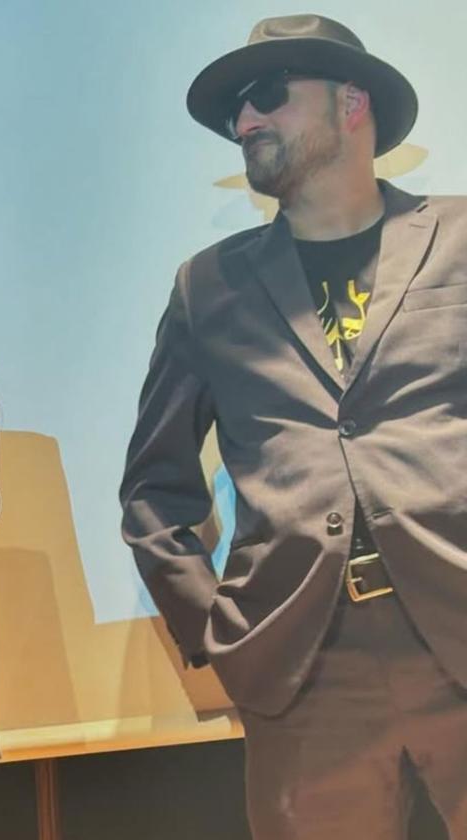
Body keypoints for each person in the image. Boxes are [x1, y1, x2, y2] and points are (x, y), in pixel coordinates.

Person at [120, 14, 467, 839]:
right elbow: (153, 487)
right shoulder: (207, 287)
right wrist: (217, 629)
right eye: (236, 111)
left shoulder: (461, 238)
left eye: (267, 97)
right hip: (306, 671)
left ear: (353, 102)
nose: (244, 123)